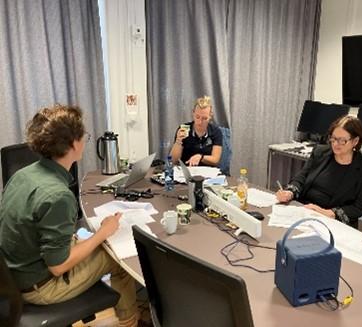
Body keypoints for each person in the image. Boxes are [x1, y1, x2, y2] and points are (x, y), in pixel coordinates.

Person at [0, 105, 146, 327]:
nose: (86, 141)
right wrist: (103, 233)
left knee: (96, 240)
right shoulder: (57, 195)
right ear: (73, 144)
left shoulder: (23, 174)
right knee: (117, 257)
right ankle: (130, 321)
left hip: (15, 274)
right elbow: (58, 266)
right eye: (84, 136)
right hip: (41, 288)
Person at [276, 115, 362, 229]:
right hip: (304, 210)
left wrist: (328, 213)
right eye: (333, 138)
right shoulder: (320, 152)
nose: (335, 144)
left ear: (355, 141)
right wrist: (289, 192)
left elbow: (359, 207)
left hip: (333, 222)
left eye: (342, 140)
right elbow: (301, 178)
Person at [170, 95, 223, 166]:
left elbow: (215, 159)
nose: (200, 122)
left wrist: (200, 157)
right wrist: (178, 141)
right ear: (193, 113)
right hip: (187, 170)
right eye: (197, 117)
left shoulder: (215, 131)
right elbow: (174, 160)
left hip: (208, 172)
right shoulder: (184, 129)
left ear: (210, 116)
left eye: (204, 118)